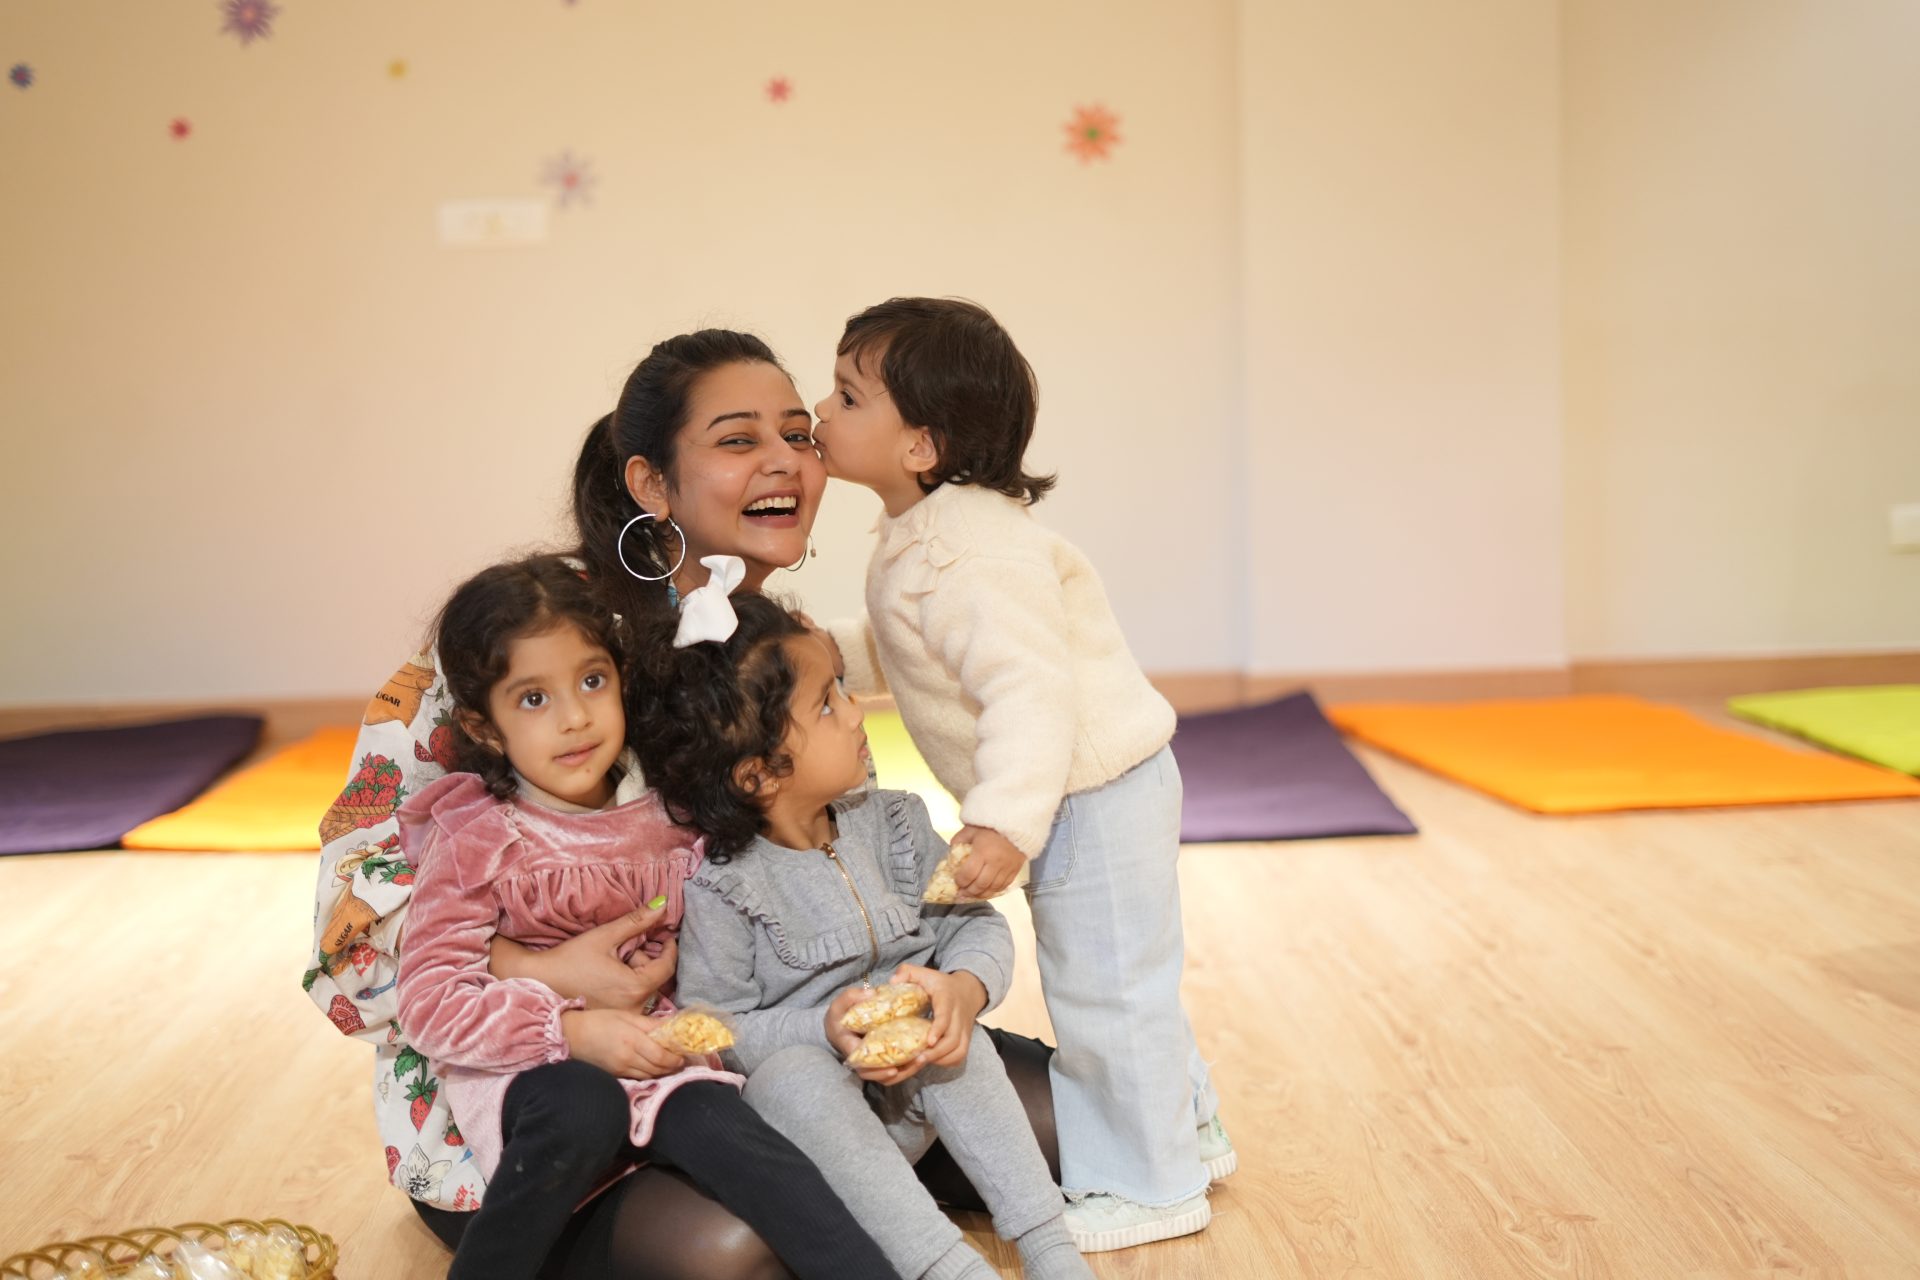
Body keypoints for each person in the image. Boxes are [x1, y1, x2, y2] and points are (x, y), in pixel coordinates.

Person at [303, 329, 1056, 1279]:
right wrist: (544, 974)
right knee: (735, 1253)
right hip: (547, 1097)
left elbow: (861, 859)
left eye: (799, 434)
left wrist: (941, 987)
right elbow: (348, 950)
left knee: (1070, 1125)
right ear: (651, 484)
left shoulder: (784, 647)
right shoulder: (525, 639)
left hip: (777, 1047)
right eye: (738, 440)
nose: (784, 460)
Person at [810, 298, 1232, 1251]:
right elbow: (915, 647)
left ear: (921, 444)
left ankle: (1153, 1186)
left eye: (846, 396)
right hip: (1083, 792)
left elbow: (1029, 688)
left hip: (1089, 793)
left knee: (1107, 992)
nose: (820, 412)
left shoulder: (969, 549)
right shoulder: (928, 529)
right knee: (1125, 978)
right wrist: (828, 652)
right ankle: (1193, 1130)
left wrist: (1002, 820)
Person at [394, 555, 898, 1280]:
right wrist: (569, 1031)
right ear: (485, 726)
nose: (575, 718)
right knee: (584, 1103)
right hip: (533, 1073)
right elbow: (430, 1003)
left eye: (592, 681)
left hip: (658, 1056)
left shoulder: (670, 809)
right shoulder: (477, 837)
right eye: (533, 699)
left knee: (734, 1133)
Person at [630, 588, 1093, 1280]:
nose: (854, 712)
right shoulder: (723, 889)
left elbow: (972, 923)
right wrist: (820, 1028)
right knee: (789, 1077)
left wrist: (963, 990)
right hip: (818, 1134)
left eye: (844, 689)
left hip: (914, 1103)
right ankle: (949, 1271)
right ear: (758, 773)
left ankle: (1051, 1250)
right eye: (827, 703)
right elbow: (713, 1026)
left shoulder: (897, 823)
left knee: (950, 1038)